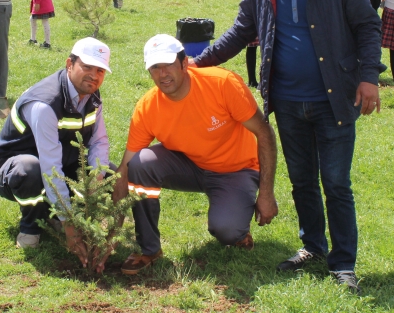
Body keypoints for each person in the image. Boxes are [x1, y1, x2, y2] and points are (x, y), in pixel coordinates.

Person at [193, 0, 384, 293]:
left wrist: (368, 78)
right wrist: (194, 65)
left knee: (335, 182)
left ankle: (343, 263)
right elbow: (239, 33)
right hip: (287, 103)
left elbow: (367, 26)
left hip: (334, 101)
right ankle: (313, 247)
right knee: (301, 181)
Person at [112, 34, 279, 275]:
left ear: (184, 63)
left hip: (235, 170)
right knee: (140, 163)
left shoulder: (222, 84)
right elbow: (125, 168)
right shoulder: (148, 107)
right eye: (155, 68)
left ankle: (238, 226)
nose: (163, 74)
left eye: (168, 65)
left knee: (228, 231)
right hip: (188, 166)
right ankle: (149, 249)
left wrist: (266, 193)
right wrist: (113, 233)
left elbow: (264, 133)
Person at [0, 38, 112, 263]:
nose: (94, 75)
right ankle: (30, 227)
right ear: (69, 64)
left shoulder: (92, 96)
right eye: (87, 67)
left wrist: (96, 179)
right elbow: (49, 165)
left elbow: (99, 142)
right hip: (15, 168)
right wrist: (69, 223)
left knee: (111, 173)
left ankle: (63, 215)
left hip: (62, 161)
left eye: (100, 70)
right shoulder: (46, 103)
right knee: (31, 170)